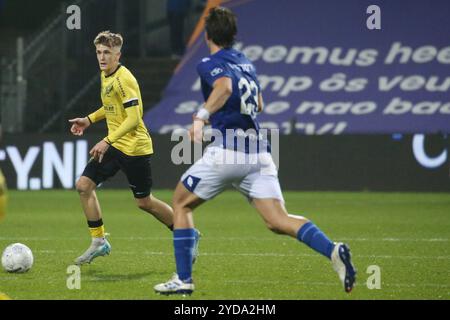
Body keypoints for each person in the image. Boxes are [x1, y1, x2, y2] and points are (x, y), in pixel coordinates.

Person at [154, 7, 356, 295]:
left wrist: (200, 117)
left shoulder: (208, 62)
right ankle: (333, 251)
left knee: (181, 203)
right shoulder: (245, 62)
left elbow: (223, 88)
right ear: (233, 35)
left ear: (207, 34)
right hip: (259, 154)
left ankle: (184, 279)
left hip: (228, 153)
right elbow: (259, 103)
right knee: (277, 220)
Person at [69, 31, 200, 265]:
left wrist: (106, 140)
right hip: (116, 144)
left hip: (134, 148)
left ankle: (187, 233)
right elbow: (110, 106)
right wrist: (89, 120)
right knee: (83, 185)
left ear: (118, 54)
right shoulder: (105, 74)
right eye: (99, 52)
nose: (102, 57)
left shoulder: (124, 79)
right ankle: (99, 241)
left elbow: (134, 117)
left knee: (144, 202)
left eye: (107, 52)